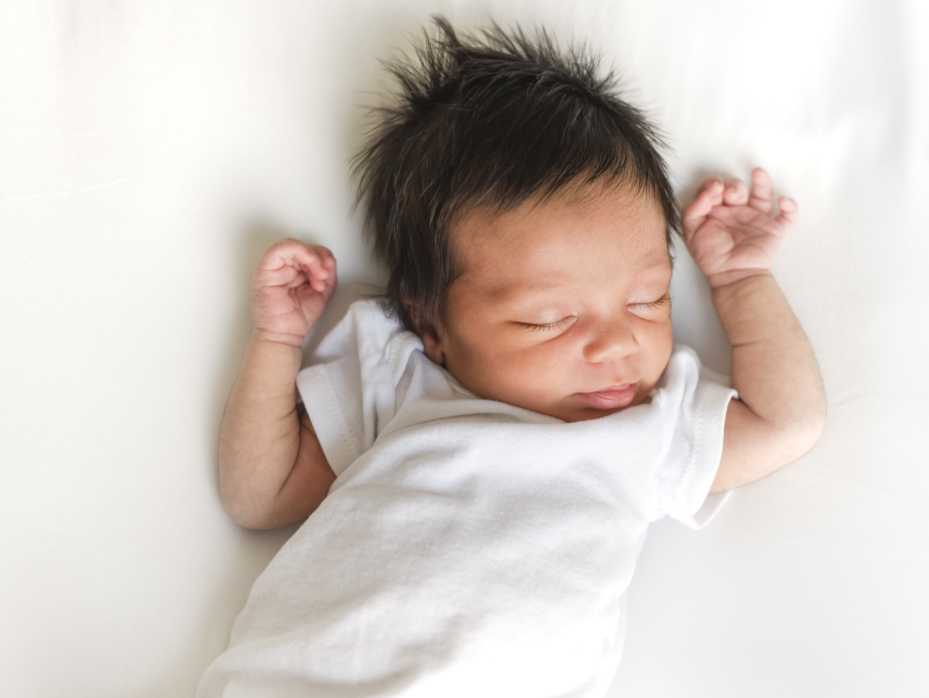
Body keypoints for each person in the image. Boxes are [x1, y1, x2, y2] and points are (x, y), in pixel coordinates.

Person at [198, 17, 826, 698]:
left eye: (649, 300)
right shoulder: (401, 375)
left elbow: (786, 422)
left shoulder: (651, 427)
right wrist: (277, 343)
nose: (618, 344)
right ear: (430, 324)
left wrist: (739, 285)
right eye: (550, 319)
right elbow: (259, 494)